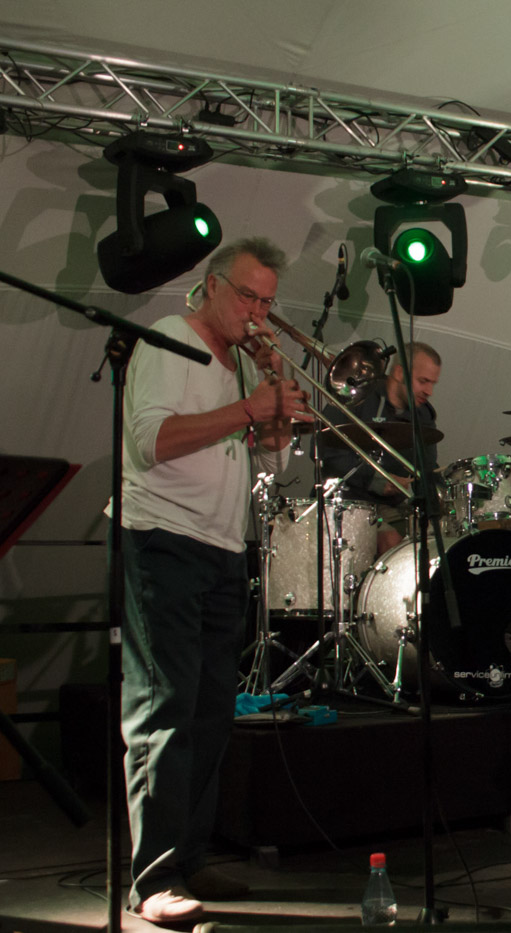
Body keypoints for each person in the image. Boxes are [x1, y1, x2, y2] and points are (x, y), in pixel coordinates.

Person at [117, 238, 310, 923]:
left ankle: (190, 854)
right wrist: (250, 408)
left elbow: (273, 460)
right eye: (247, 296)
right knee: (163, 708)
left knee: (208, 712)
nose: (257, 311)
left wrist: (274, 400)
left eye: (267, 301)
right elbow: (151, 441)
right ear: (212, 286)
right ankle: (154, 877)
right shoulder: (171, 338)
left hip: (223, 545)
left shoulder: (240, 365)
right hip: (163, 537)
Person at [320, 341, 441, 555]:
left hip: (393, 508)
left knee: (436, 541)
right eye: (423, 381)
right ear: (399, 373)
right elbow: (327, 451)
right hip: (348, 501)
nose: (429, 391)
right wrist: (375, 480)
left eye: (433, 383)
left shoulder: (423, 415)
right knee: (392, 541)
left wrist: (440, 501)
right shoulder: (358, 396)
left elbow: (427, 469)